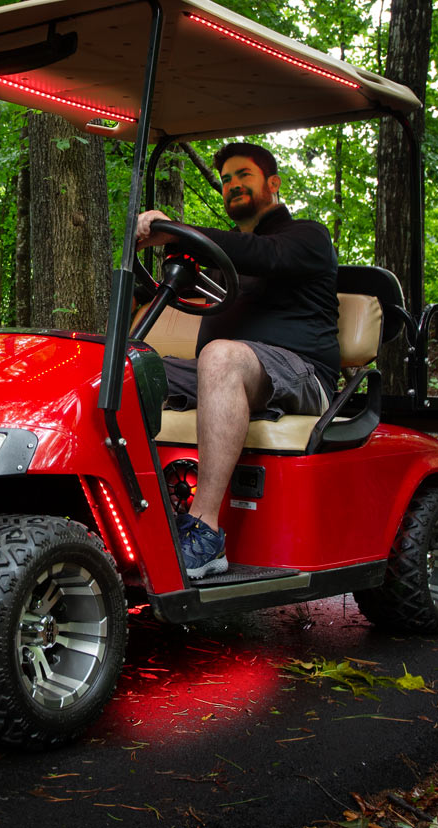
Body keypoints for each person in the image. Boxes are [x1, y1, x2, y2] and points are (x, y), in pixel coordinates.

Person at [135, 142, 339, 578]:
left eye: (243, 175)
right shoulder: (234, 261)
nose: (232, 186)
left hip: (302, 374)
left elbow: (265, 255)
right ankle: (128, 513)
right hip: (232, 373)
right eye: (226, 179)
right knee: (125, 364)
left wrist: (176, 229)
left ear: (273, 183)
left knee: (220, 356)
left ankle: (205, 532)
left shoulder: (306, 236)